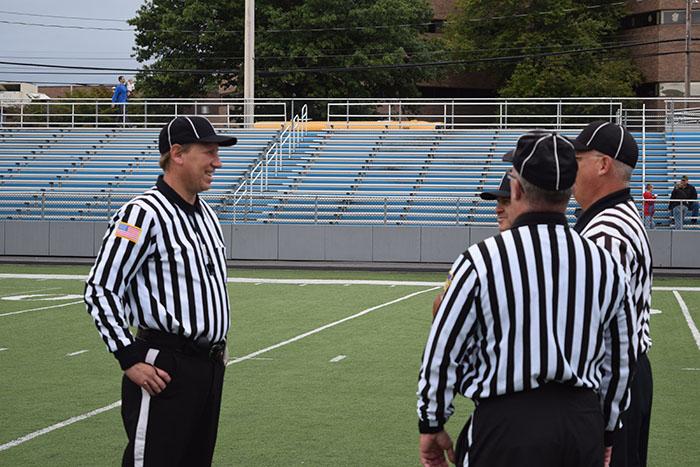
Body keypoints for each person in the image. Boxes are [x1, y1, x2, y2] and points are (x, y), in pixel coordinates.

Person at [417, 131, 637, 467]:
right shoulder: (605, 263)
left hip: (507, 424)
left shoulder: (481, 259)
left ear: (516, 188)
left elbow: (443, 348)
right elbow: (621, 358)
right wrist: (607, 429)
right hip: (581, 424)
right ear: (567, 192)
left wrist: (432, 422)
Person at [84, 115, 237, 466]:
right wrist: (128, 356)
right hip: (164, 367)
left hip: (208, 367)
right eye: (209, 152)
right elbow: (101, 288)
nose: (218, 162)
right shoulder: (142, 214)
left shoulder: (207, 214)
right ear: (178, 154)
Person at [572, 120, 654, 467]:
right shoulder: (614, 217)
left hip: (613, 383)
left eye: (577, 160)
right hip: (624, 378)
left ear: (602, 164)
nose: (568, 170)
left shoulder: (607, 232)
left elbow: (598, 330)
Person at [431, 171, 512, 317]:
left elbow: (441, 307)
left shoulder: (477, 258)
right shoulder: (478, 257)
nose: (498, 209)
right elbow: (442, 304)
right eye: (498, 202)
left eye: (506, 202)